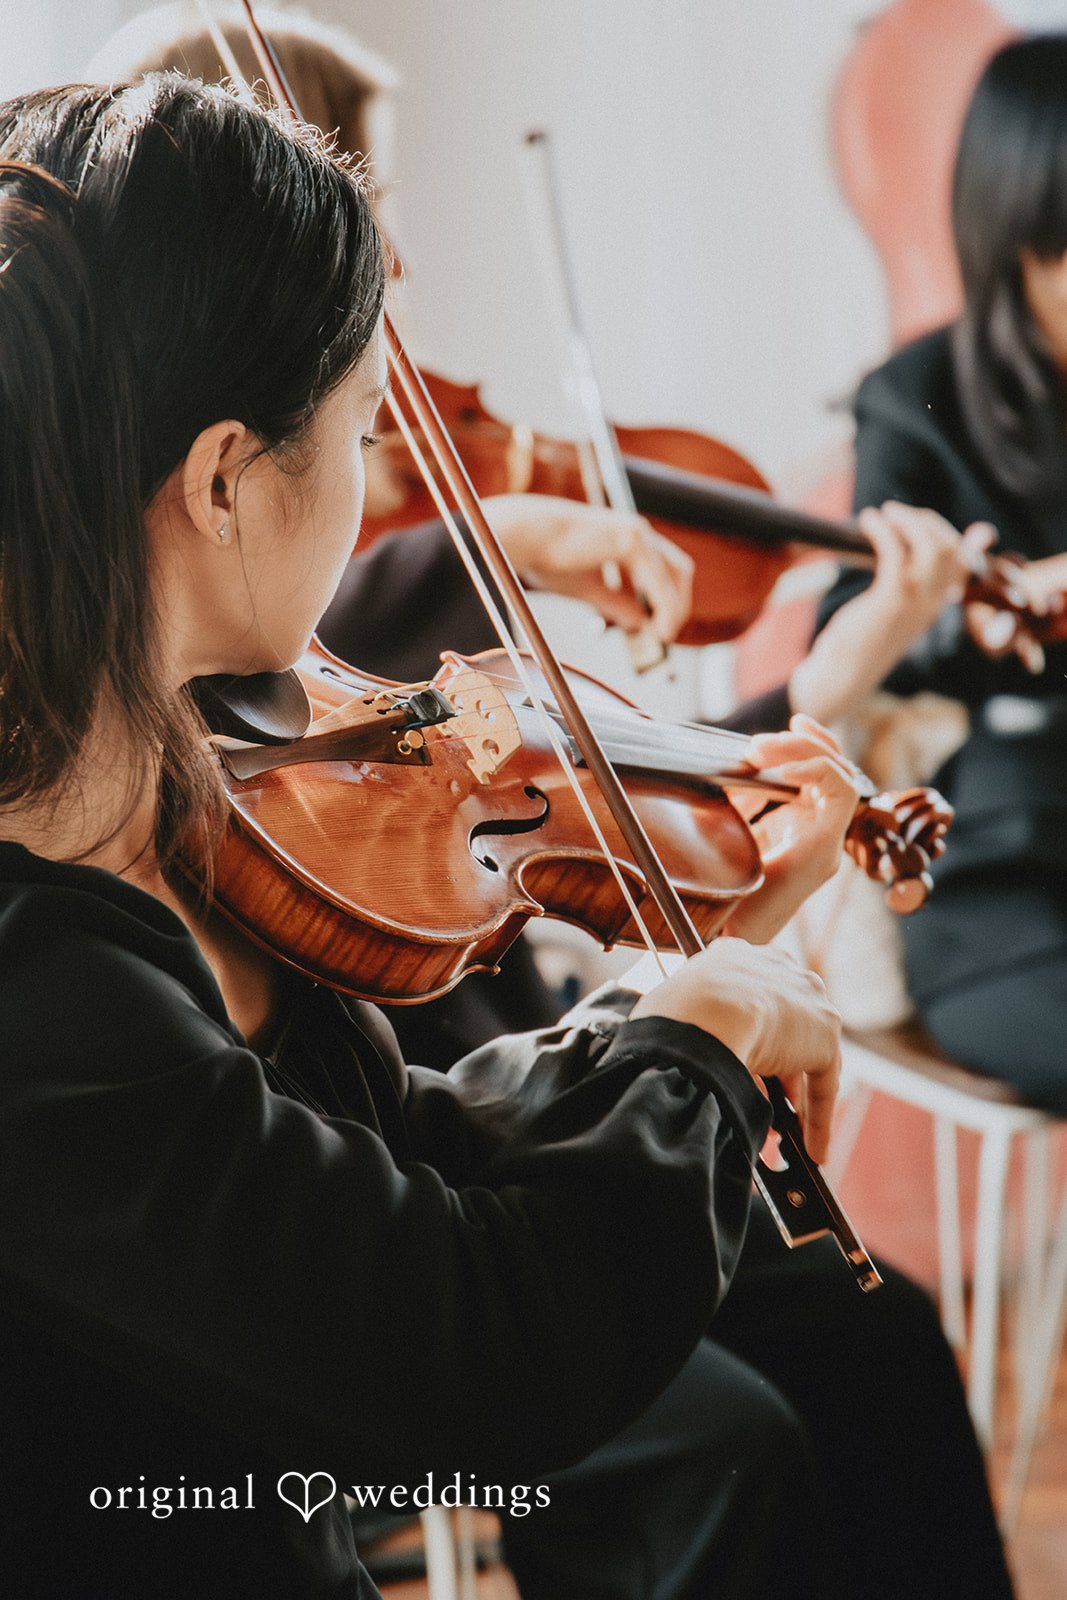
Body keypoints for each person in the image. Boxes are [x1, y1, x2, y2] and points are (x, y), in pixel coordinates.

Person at [0, 70, 921, 1600]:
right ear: (224, 481)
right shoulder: (40, 974)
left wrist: (647, 1023)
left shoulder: (127, 798)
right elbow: (475, 1350)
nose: (389, 495)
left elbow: (346, 1169)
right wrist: (680, 1044)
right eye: (366, 429)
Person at [820, 32, 1067, 1114]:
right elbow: (845, 656)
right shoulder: (915, 399)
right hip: (995, 885)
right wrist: (972, 620)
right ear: (1016, 232)